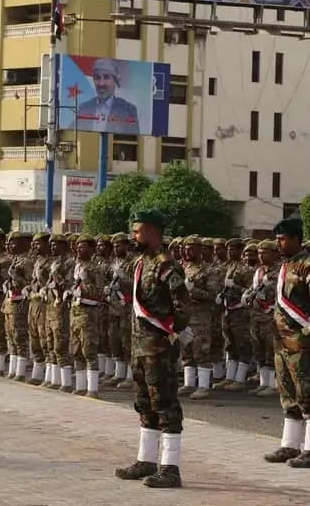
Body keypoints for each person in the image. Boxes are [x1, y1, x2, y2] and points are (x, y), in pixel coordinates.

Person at [115, 209, 192, 489]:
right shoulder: (141, 263)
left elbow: (183, 308)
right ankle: (145, 460)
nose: (133, 236)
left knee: (166, 405)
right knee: (144, 403)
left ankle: (170, 468)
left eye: (137, 231)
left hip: (159, 348)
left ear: (151, 232)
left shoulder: (166, 265)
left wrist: (169, 332)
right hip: (140, 347)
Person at [264, 216, 310, 468]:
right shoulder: (286, 266)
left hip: (303, 345)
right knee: (288, 394)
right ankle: (289, 445)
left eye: (282, 239)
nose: (278, 244)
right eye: (277, 239)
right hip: (283, 344)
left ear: (296, 239)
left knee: (309, 394)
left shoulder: (309, 266)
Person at [76, 59, 140, 135]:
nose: (101, 84)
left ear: (115, 81)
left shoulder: (128, 110)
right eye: (97, 78)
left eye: (106, 77)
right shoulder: (84, 108)